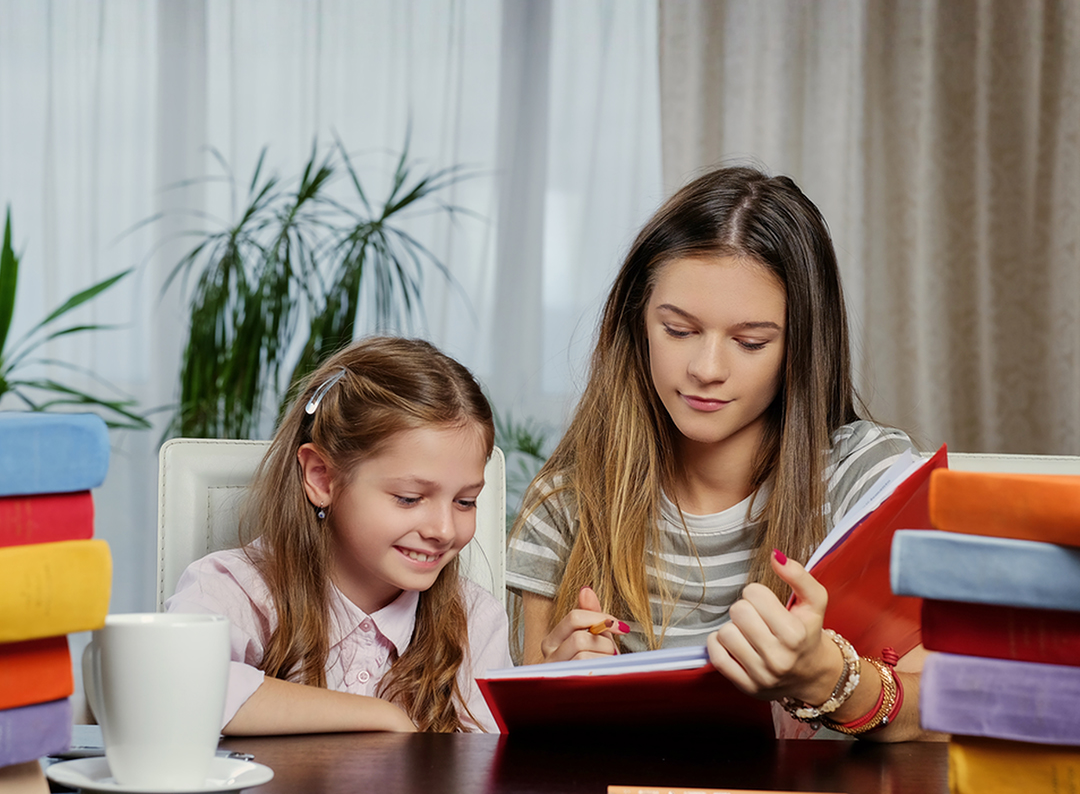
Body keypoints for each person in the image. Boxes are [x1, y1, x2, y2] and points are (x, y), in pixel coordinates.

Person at [507, 166, 934, 741]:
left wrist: (828, 679)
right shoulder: (567, 504)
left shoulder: (870, 482)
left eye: (750, 342)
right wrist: (554, 692)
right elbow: (530, 744)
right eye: (678, 330)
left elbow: (946, 711)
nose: (707, 370)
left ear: (801, 346)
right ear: (638, 324)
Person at [168, 337, 511, 734]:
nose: (444, 530)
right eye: (409, 498)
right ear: (322, 477)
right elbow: (175, 683)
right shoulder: (234, 590)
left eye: (465, 502)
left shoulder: (473, 621)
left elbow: (487, 772)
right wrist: (383, 717)